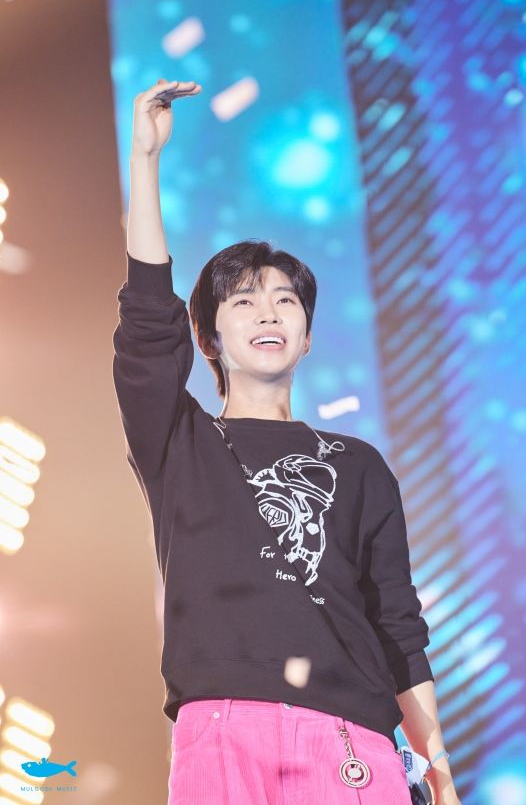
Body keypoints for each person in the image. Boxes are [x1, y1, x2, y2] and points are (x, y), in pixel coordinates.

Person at [112, 78, 461, 805]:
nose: (268, 312)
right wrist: (144, 161)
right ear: (208, 338)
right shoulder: (179, 441)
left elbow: (397, 626)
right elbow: (146, 323)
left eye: (285, 300)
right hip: (220, 734)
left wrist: (439, 772)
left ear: (305, 336)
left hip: (351, 741)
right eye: (243, 300)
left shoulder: (358, 465)